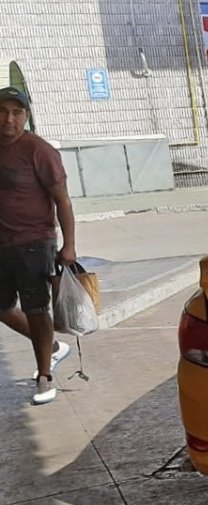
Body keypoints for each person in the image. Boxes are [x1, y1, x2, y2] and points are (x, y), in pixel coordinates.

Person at [0, 86, 76, 405]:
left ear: (26, 117)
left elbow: (62, 200)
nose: (9, 119)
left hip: (35, 243)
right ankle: (54, 347)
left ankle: (44, 375)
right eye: (3, 111)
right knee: (2, 308)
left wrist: (69, 246)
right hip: (2, 247)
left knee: (36, 309)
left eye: (17, 113)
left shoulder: (39, 150)